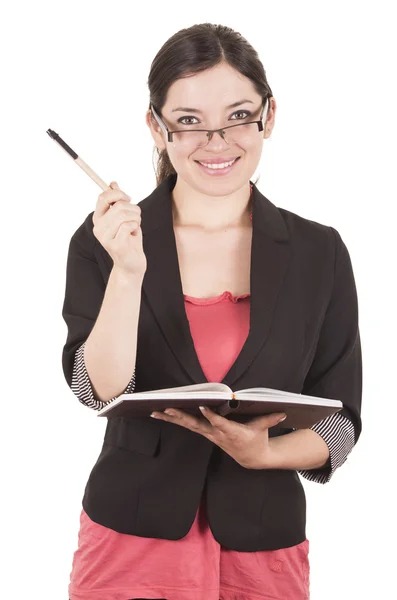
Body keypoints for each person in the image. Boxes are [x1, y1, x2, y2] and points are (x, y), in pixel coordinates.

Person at [62, 22, 362, 600]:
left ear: (268, 117)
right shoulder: (107, 238)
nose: (216, 141)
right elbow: (94, 390)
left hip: (262, 543)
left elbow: (341, 421)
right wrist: (128, 273)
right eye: (190, 121)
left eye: (239, 116)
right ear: (157, 127)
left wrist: (269, 452)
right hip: (131, 538)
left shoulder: (319, 250)